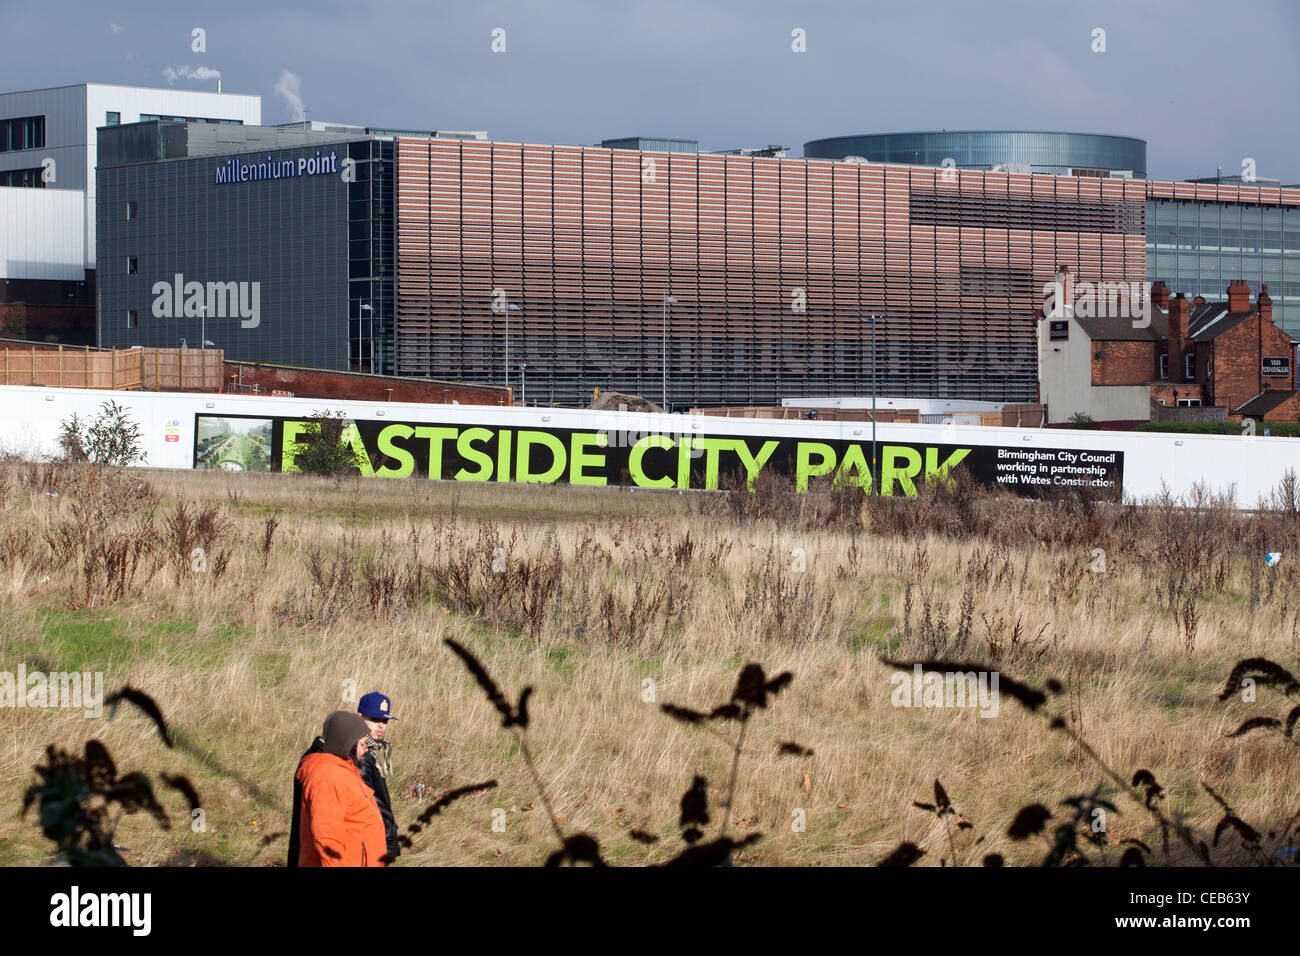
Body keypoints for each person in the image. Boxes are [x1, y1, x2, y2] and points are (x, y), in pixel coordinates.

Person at [293, 711, 388, 867]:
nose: (366, 749)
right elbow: (327, 837)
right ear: (347, 744)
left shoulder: (344, 772)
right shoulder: (328, 777)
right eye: (362, 744)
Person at [357, 691, 401, 864]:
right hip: (370, 842)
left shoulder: (372, 752)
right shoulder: (359, 755)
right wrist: (388, 840)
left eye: (385, 721)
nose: (381, 726)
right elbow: (369, 804)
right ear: (359, 718)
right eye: (375, 720)